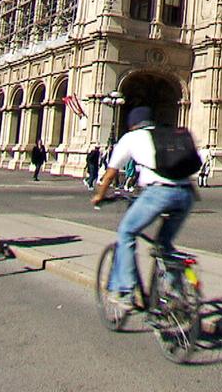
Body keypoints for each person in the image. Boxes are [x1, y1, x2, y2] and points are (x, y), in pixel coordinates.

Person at [91, 107, 197, 310]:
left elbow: (111, 173)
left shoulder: (131, 138)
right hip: (187, 193)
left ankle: (127, 291)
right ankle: (176, 292)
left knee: (126, 232)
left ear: (132, 124)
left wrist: (99, 195)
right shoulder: (165, 134)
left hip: (159, 193)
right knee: (164, 244)